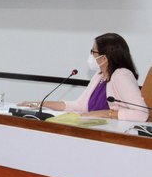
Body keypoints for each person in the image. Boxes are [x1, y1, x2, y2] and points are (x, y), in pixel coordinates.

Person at [18, 33, 147, 121]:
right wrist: (39, 104)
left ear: (105, 57)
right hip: (93, 130)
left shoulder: (122, 75)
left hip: (113, 136)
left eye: (93, 52)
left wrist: (104, 114)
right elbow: (79, 105)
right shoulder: (99, 76)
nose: (91, 55)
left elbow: (142, 114)